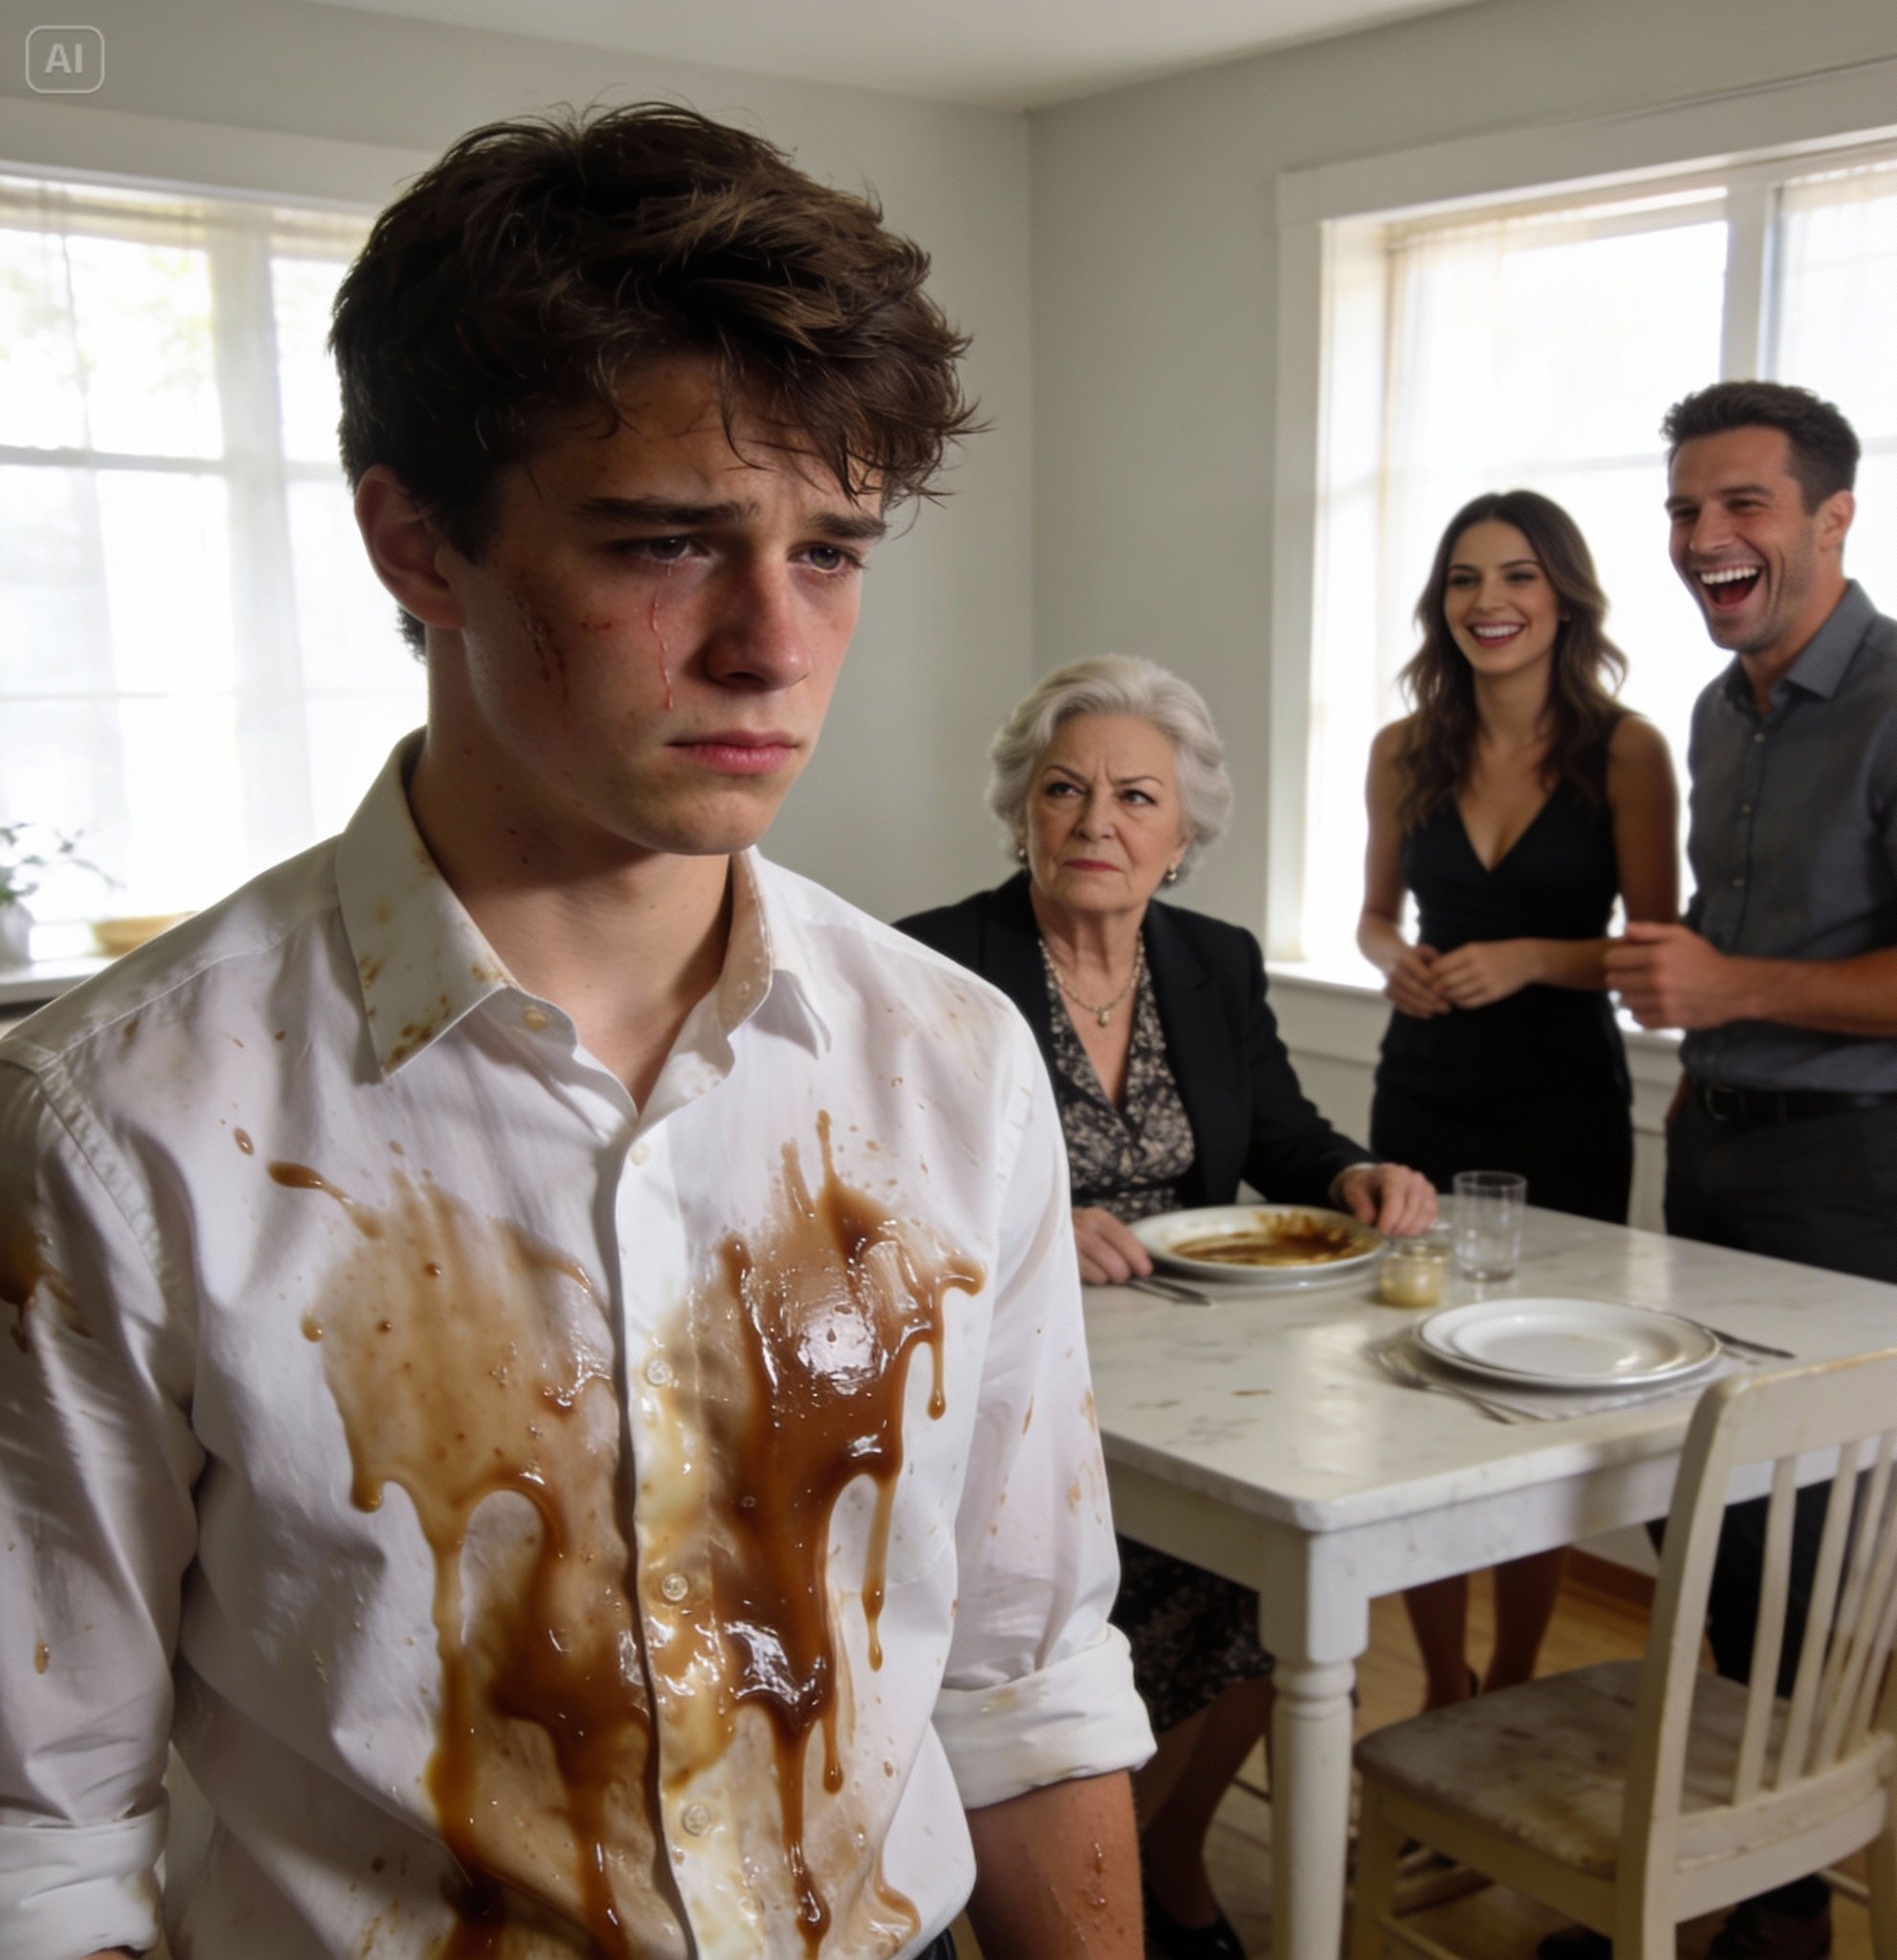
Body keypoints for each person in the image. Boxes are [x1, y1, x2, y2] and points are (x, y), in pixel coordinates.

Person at [0, 106, 1157, 1960]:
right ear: (418, 545)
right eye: (668, 542)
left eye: (831, 551)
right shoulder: (121, 1122)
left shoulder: (947, 1057)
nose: (775, 644)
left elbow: (1027, 1678)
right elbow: (47, 1838)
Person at [899, 655, 1436, 1960]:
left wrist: (1350, 1172)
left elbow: (1279, 1130)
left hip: (1193, 1377)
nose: (1097, 821)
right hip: (1014, 1393)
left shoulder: (1213, 960)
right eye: (1064, 789)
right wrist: (1030, 1225)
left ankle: (1161, 1857)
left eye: (1136, 796)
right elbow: (887, 1192)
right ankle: (1066, 1897)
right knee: (1082, 1625)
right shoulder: (937, 961)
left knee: (1272, 1601)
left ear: (1181, 832)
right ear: (1021, 810)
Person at [1594, 380, 1897, 1960]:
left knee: (1793, 1531)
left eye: (1741, 503)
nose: (1703, 536)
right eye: (1685, 508)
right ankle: (1710, 1869)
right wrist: (1698, 1010)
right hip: (1715, 1147)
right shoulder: (1715, 709)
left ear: (1832, 517)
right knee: (1710, 1513)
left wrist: (1732, 985)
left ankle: (1783, 1904)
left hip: (1845, 1169)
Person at [1359, 491, 1679, 1715]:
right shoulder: (1402, 748)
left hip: (1564, 1106)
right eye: (1462, 578)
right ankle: (1441, 1679)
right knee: (1418, 1383)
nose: (1486, 601)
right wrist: (1392, 956)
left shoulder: (1626, 752)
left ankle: (1512, 1673)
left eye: (1516, 576)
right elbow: (1372, 914)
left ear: (1563, 598)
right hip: (1423, 1089)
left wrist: (1535, 957)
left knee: (1548, 1396)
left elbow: (1653, 950)